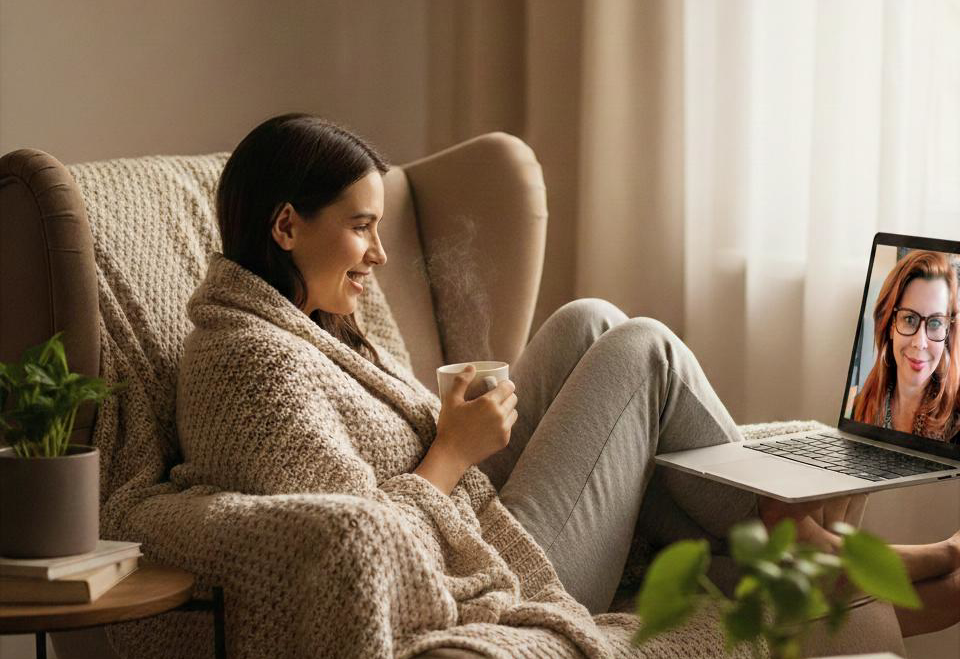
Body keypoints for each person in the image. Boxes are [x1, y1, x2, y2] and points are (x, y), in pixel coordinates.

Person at [177, 114, 960, 650]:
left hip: (474, 512)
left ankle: (811, 548)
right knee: (644, 349)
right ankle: (818, 547)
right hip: (482, 562)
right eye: (361, 226)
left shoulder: (308, 320)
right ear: (286, 227)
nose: (379, 254)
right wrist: (450, 451)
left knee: (591, 319)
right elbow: (362, 553)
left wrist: (463, 437)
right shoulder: (253, 368)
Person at [852, 250, 960, 442]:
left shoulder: (957, 422)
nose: (920, 342)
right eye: (909, 319)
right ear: (890, 324)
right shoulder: (861, 406)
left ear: (948, 331)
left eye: (935, 323)